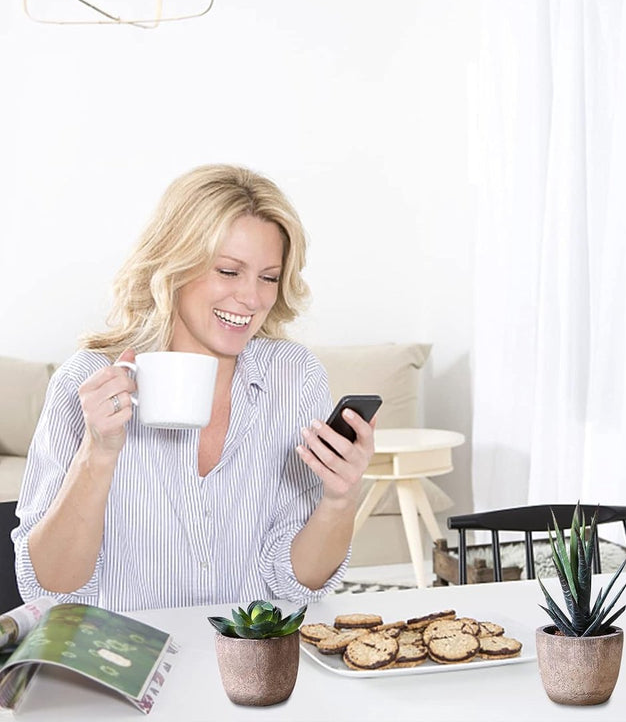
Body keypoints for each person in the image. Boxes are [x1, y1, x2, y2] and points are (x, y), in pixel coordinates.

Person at [12, 164, 375, 612]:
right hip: (128, 668)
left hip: (253, 666)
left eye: (268, 277)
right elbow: (50, 591)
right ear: (174, 265)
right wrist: (99, 452)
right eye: (228, 271)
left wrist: (340, 500)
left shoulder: (294, 376)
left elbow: (296, 584)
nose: (252, 298)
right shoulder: (86, 382)